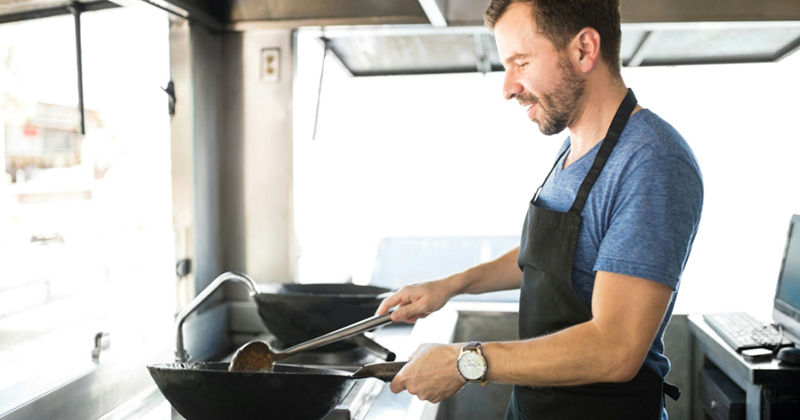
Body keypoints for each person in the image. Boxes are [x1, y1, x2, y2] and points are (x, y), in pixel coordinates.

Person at [375, 0, 704, 419]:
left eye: (521, 62)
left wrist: (465, 361)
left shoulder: (651, 161)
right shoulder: (575, 146)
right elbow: (552, 257)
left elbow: (615, 350)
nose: (508, 87)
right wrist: (450, 285)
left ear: (584, 49)